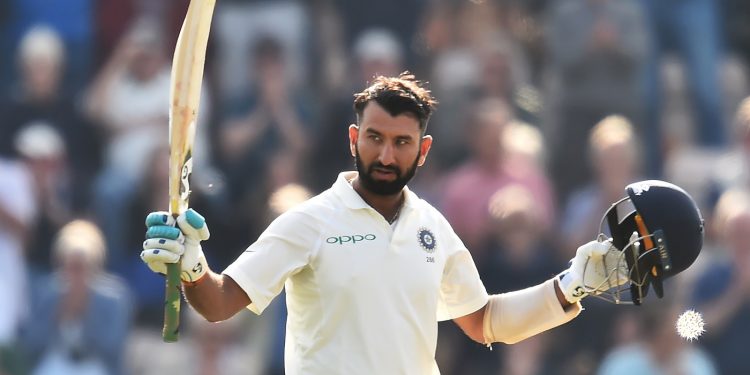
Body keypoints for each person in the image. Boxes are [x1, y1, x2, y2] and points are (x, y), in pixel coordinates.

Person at [140, 74, 629, 374]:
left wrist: (572, 287)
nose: (386, 154)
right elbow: (221, 302)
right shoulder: (310, 221)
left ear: (424, 149)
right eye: (374, 138)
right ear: (355, 138)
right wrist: (191, 265)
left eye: (401, 142)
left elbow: (484, 323)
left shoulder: (433, 228)